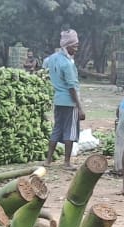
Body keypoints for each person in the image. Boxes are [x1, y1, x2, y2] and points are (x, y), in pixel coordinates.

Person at [44, 30, 85, 168]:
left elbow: (44, 67)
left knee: (57, 128)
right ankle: (67, 162)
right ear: (67, 46)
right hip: (69, 101)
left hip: (57, 99)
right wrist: (79, 107)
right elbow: (72, 87)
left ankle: (48, 161)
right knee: (70, 131)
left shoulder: (52, 58)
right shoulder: (67, 64)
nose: (76, 49)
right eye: (74, 46)